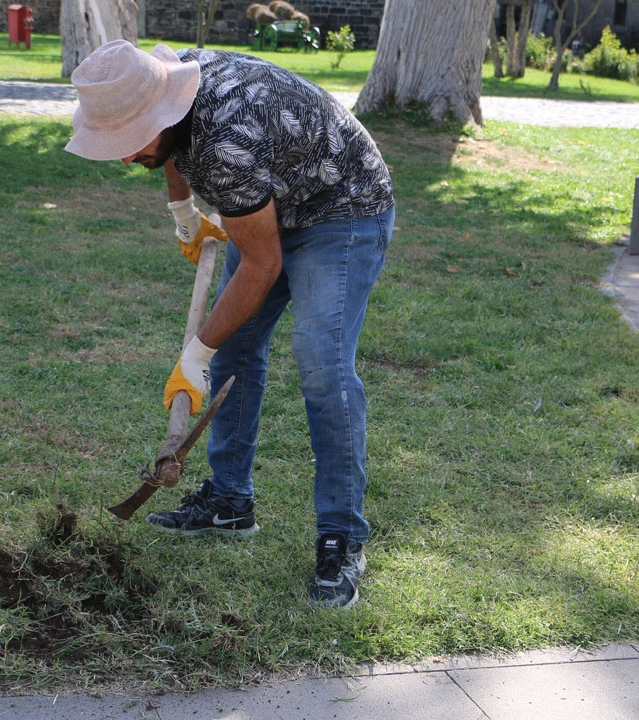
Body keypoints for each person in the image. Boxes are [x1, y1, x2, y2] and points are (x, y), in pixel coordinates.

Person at [65, 39, 393, 609]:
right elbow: (166, 147)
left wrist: (195, 356)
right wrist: (184, 215)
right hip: (267, 200)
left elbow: (263, 264)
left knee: (322, 363)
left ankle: (342, 537)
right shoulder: (172, 74)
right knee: (237, 349)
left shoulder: (227, 142)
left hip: (340, 207)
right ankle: (229, 502)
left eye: (127, 140)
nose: (122, 156)